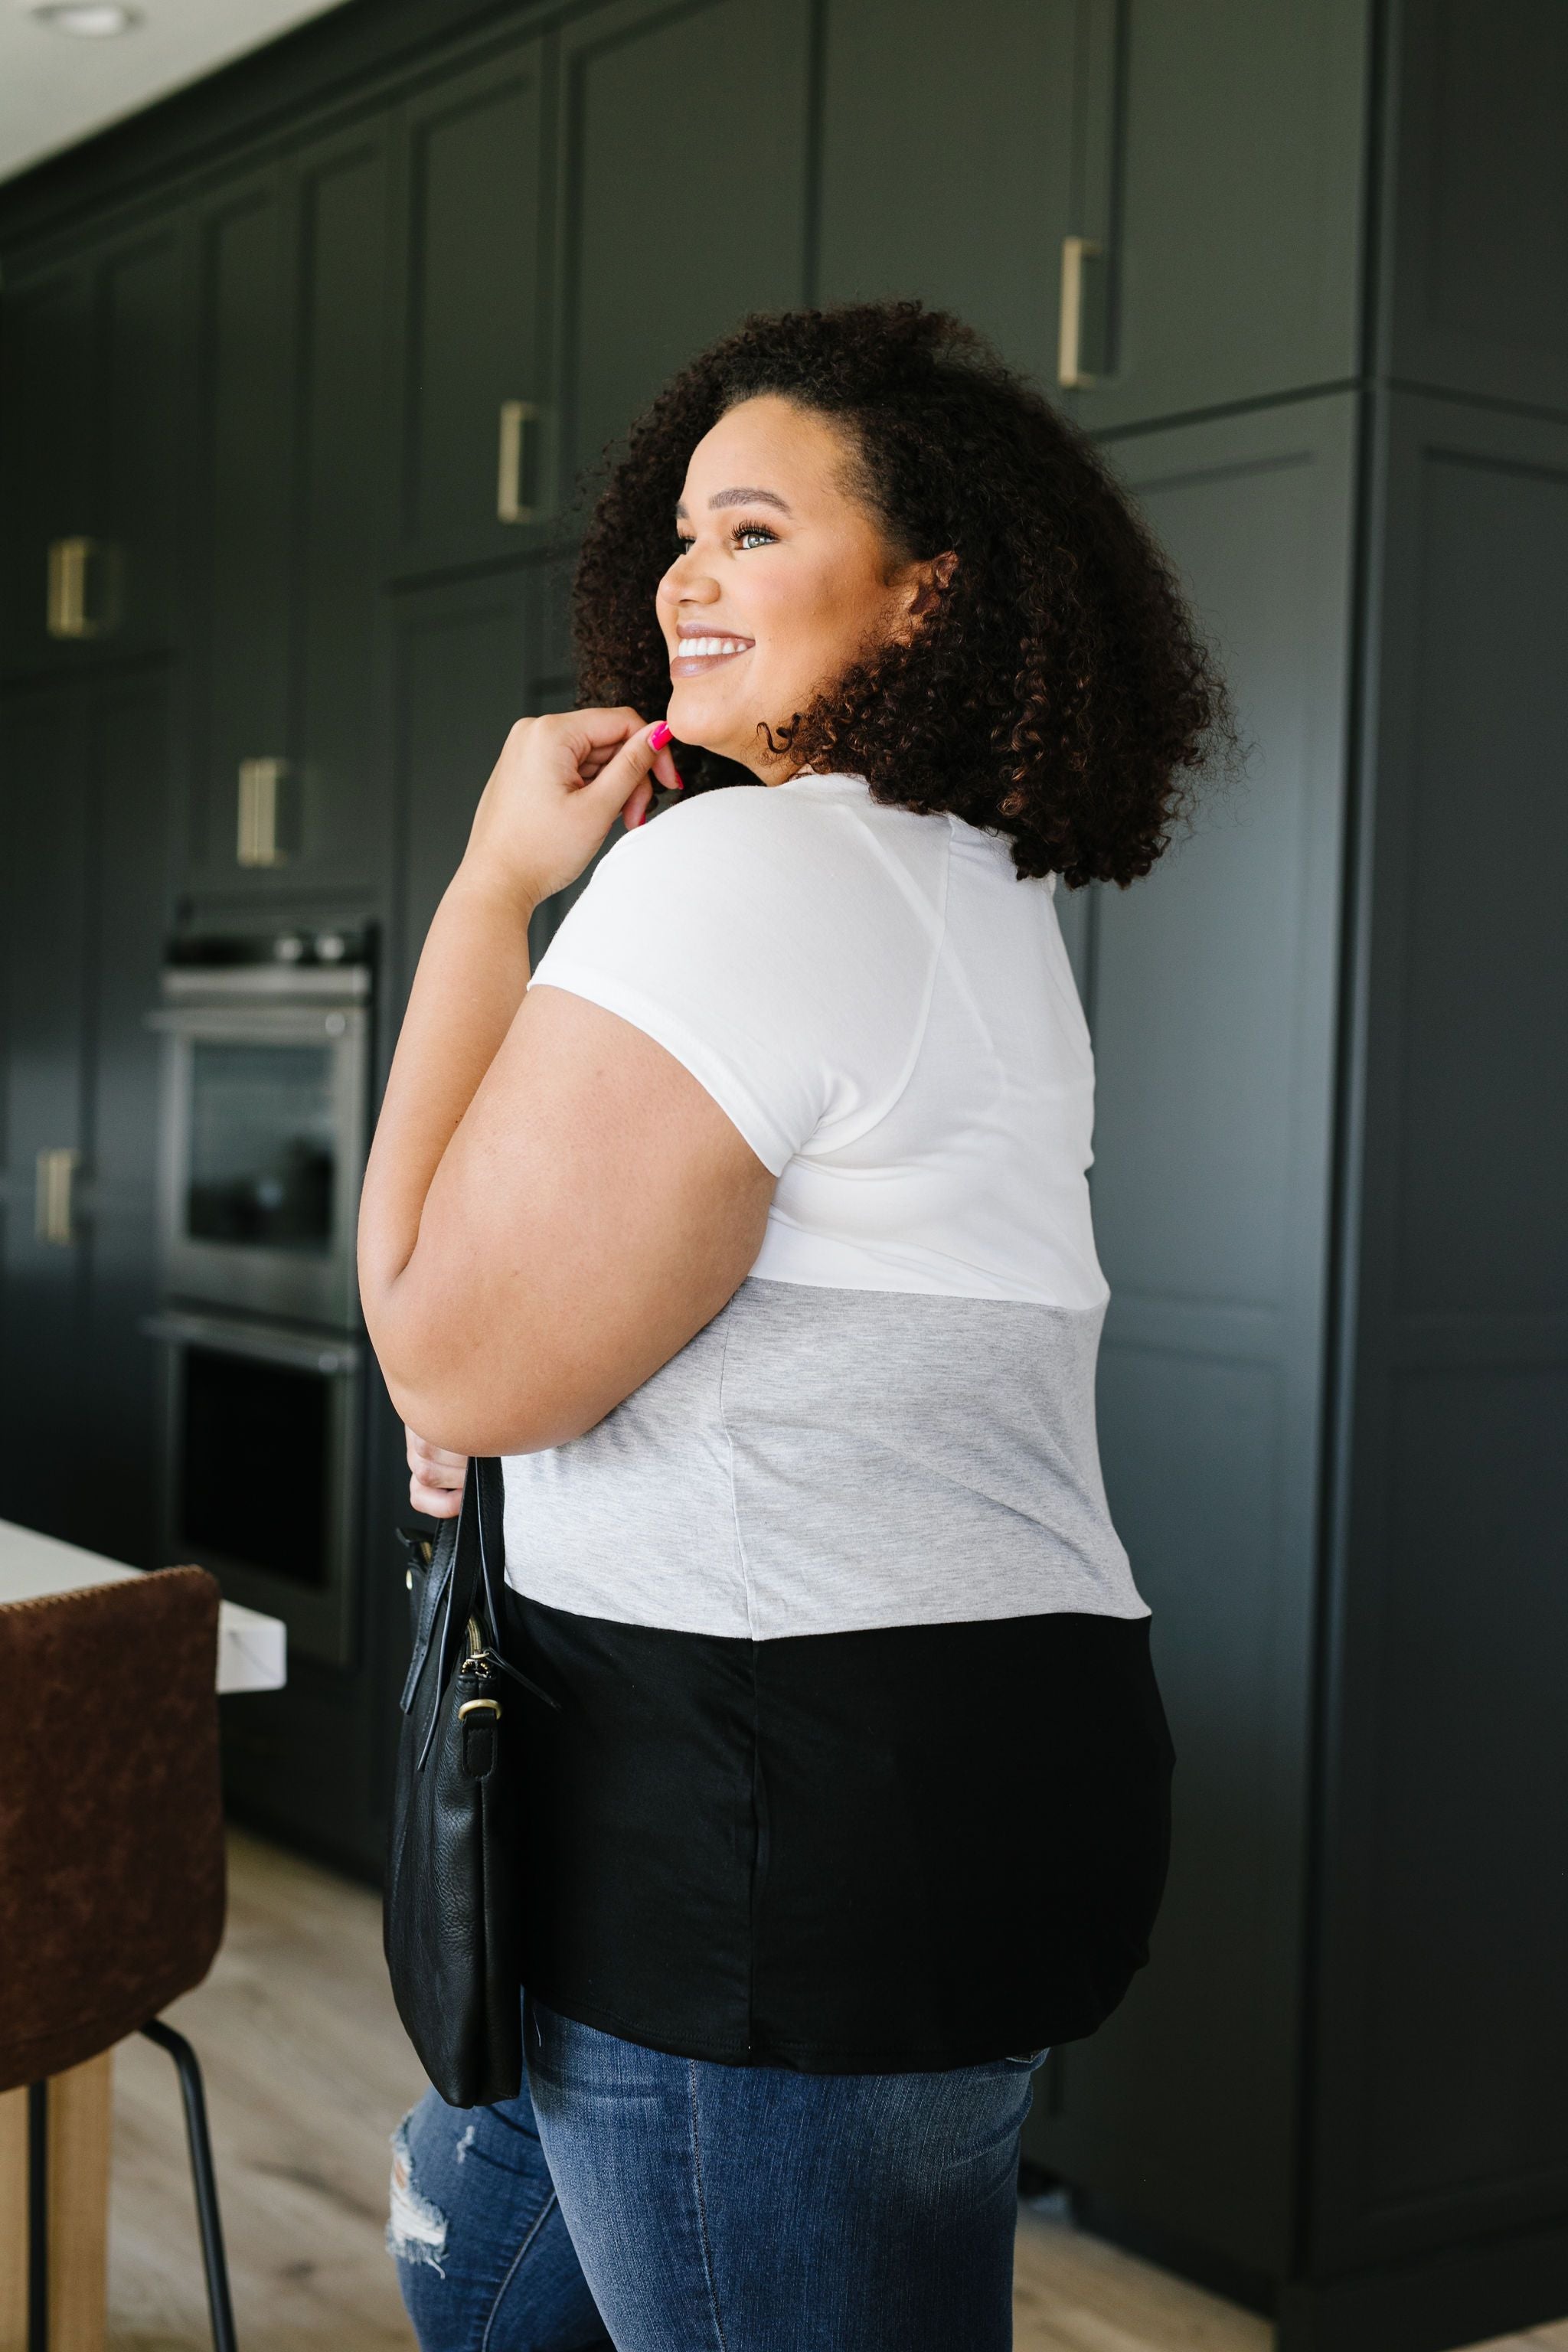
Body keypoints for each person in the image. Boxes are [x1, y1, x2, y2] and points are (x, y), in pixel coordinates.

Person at [358, 301, 1230, 2352]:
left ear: (929, 595)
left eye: (751, 531)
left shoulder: (741, 876)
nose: (684, 576)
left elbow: (447, 1364)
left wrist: (493, 898)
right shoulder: (967, 881)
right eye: (679, 533)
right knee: (492, 2299)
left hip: (752, 1840)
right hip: (937, 1790)